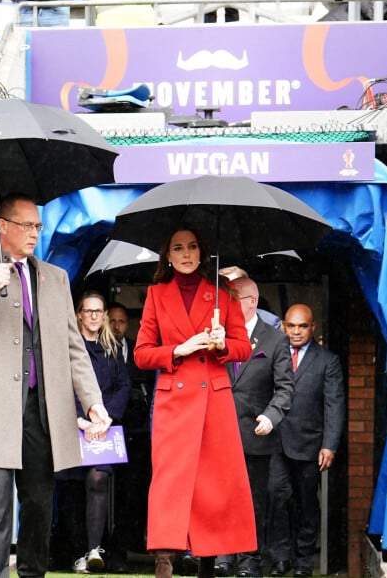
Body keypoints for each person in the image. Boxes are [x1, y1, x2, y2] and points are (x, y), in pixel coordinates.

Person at [0, 193, 112, 578]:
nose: (36, 232)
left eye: (38, 225)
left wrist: (93, 402)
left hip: (43, 411)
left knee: (39, 506)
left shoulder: (55, 278)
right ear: (2, 226)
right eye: (27, 225)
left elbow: (74, 346)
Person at [133, 224, 257, 578]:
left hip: (213, 402)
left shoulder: (224, 291)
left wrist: (221, 345)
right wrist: (179, 349)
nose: (186, 254)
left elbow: (243, 349)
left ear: (202, 252)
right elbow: (142, 354)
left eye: (191, 247)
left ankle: (208, 563)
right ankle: (164, 560)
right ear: (168, 256)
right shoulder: (157, 294)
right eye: (177, 248)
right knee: (168, 483)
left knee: (212, 484)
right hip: (174, 401)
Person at [215, 276, 294, 578]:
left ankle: (249, 561)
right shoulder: (217, 335)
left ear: (251, 302)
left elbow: (285, 387)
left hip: (255, 433)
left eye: (233, 297)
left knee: (252, 501)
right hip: (220, 432)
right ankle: (221, 558)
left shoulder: (275, 340)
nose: (227, 302)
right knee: (220, 498)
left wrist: (272, 416)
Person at [266, 304, 345, 578]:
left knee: (306, 504)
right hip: (275, 442)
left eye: (302, 326)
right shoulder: (274, 354)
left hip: (310, 445)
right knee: (277, 497)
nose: (296, 331)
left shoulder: (328, 361)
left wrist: (330, 445)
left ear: (313, 327)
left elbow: (334, 406)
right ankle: (279, 559)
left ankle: (302, 563)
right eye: (291, 326)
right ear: (284, 326)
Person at [65, 291, 131, 574]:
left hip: (103, 431)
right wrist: (79, 420)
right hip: (71, 427)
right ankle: (76, 551)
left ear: (104, 315)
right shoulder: (67, 346)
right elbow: (59, 387)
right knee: (70, 492)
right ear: (78, 313)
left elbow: (123, 387)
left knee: (98, 479)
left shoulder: (112, 348)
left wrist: (107, 418)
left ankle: (94, 550)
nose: (93, 316)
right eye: (88, 311)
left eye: (98, 311)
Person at [107, 302, 155, 572]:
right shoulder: (96, 349)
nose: (116, 327)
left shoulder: (139, 351)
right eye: (112, 321)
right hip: (104, 429)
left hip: (135, 434)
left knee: (130, 494)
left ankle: (124, 548)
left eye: (122, 321)